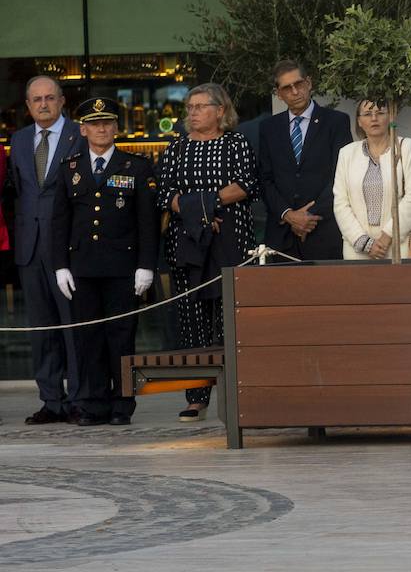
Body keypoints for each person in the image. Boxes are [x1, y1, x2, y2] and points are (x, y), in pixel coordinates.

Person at [156, 82, 259, 422]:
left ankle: (237, 392)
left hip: (229, 239)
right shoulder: (177, 146)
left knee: (230, 317)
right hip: (187, 242)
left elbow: (245, 185)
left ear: (220, 110)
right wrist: (202, 214)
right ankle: (196, 396)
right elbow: (165, 195)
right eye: (190, 107)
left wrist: (202, 205)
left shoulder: (235, 142)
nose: (193, 112)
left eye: (200, 106)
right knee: (192, 320)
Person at [51, 98, 157, 426]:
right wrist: (60, 266)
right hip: (82, 268)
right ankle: (93, 405)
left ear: (116, 128)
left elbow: (147, 222)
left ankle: (122, 405)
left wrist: (146, 265)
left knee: (121, 336)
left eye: (108, 123)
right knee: (89, 338)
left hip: (122, 269)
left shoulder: (135, 167)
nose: (101, 129)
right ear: (83, 129)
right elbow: (60, 221)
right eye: (94, 124)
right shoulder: (69, 168)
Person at [10, 75, 84, 424]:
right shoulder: (19, 140)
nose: (43, 104)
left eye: (49, 98)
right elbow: (19, 194)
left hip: (67, 246)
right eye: (36, 99)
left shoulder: (79, 136)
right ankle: (51, 400)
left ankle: (81, 398)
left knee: (73, 325)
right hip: (29, 246)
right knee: (42, 329)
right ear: (27, 106)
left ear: (62, 100)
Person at [257, 60, 351, 260]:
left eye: (298, 84)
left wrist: (309, 217)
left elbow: (342, 174)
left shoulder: (336, 122)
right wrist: (288, 215)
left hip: (324, 229)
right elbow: (265, 179)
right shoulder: (269, 128)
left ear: (308, 83)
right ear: (279, 94)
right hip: (282, 235)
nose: (294, 91)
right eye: (287, 88)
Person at [333, 101, 411, 260]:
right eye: (367, 114)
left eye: (380, 113)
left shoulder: (407, 147)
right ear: (359, 121)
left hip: (400, 245)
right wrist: (365, 243)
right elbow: (340, 202)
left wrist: (386, 237)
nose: (374, 118)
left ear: (390, 117)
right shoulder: (347, 153)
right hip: (357, 249)